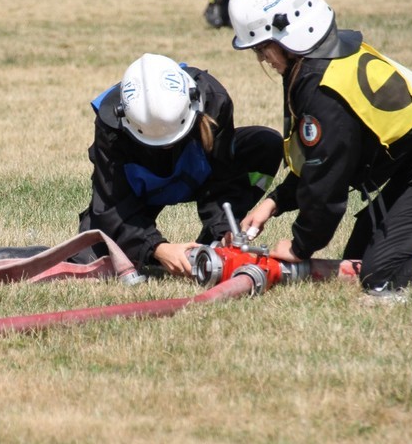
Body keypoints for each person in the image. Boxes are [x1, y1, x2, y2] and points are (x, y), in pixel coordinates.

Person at [227, 0, 412, 291]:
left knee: (383, 274)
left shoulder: (320, 86)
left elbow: (326, 182)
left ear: (283, 36)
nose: (262, 58)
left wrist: (300, 246)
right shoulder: (323, 55)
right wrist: (273, 202)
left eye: (262, 47)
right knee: (358, 256)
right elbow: (322, 156)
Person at [75, 53, 283, 277]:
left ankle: (213, 243)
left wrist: (222, 229)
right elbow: (110, 205)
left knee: (265, 144)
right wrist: (156, 248)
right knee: (88, 260)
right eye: (156, 143)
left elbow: (225, 178)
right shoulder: (111, 123)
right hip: (140, 193)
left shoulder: (213, 99)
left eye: (174, 139)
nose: (167, 147)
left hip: (196, 176)